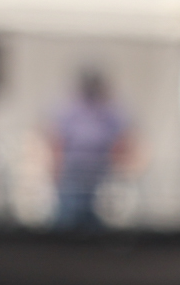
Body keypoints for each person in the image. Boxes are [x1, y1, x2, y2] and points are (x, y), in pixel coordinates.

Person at [50, 69, 129, 228]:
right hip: (72, 175)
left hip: (100, 176)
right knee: (67, 220)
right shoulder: (70, 110)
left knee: (98, 224)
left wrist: (120, 171)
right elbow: (58, 142)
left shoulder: (110, 112)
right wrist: (56, 171)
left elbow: (121, 143)